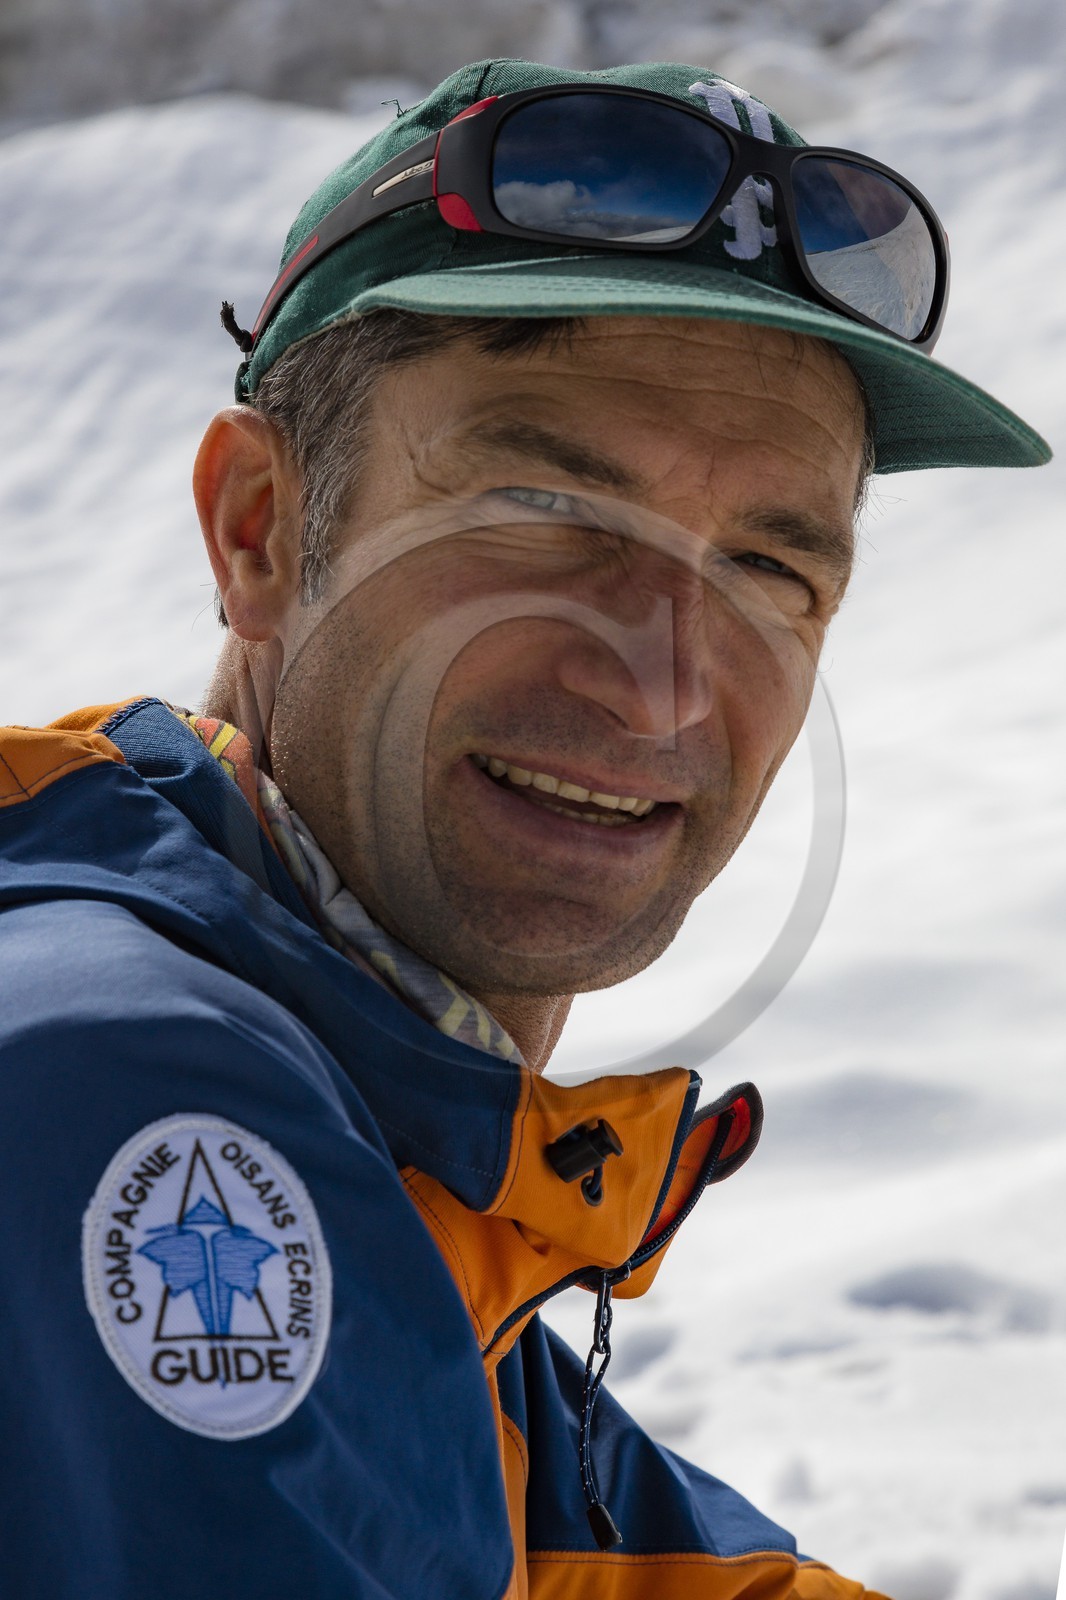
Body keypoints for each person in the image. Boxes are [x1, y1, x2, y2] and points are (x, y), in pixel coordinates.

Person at [0, 56, 1049, 1600]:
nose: (659, 682)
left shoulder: (392, 1159)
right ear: (259, 531)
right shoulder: (143, 1103)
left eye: (766, 568)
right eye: (543, 514)